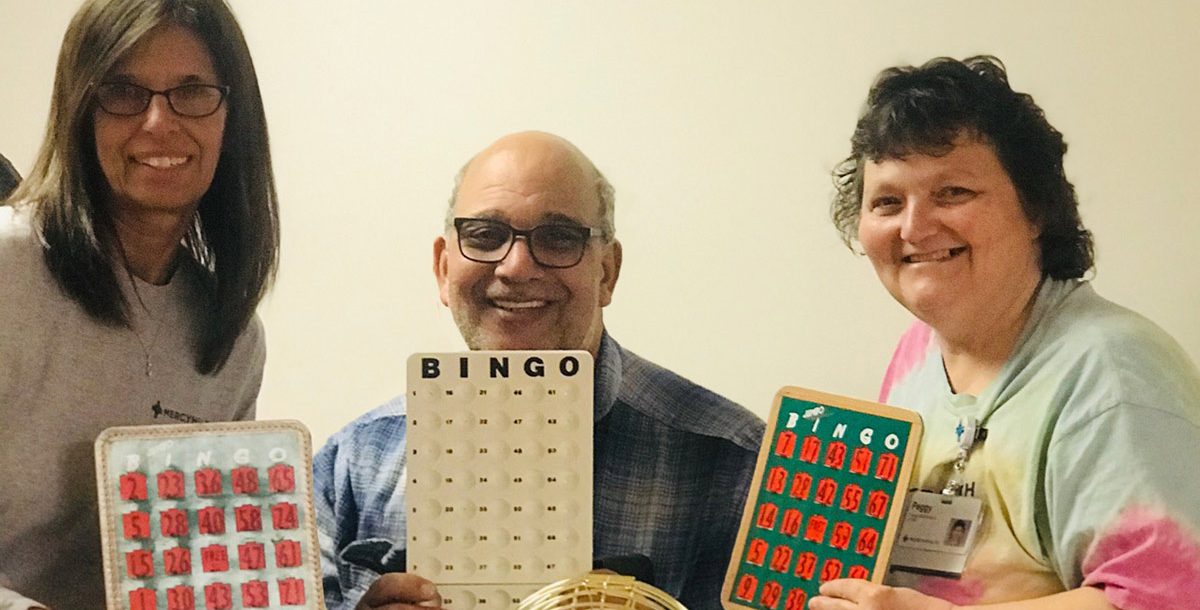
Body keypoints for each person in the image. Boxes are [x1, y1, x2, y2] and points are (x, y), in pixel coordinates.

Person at [314, 131, 765, 610]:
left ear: (607, 272)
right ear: (443, 270)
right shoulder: (353, 464)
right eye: (485, 236)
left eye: (559, 237)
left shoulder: (733, 463)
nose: (516, 266)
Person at [811, 56, 1200, 610]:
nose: (915, 227)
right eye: (888, 202)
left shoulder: (1113, 372)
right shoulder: (917, 357)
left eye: (953, 193)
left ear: (1036, 207)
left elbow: (1167, 597)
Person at [0, 0, 278, 608]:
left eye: (192, 92)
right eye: (123, 91)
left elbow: (209, 571)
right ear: (80, 112)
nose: (158, 123)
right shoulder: (5, 268)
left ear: (233, 117)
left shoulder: (233, 337)